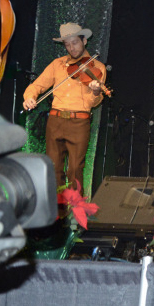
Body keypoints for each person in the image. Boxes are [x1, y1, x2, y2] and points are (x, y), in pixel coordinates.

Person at [22, 23, 107, 193]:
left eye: (75, 43)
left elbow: (93, 103)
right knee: (53, 168)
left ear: (84, 41)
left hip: (79, 122)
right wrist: (30, 97)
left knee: (75, 169)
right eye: (67, 44)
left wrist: (96, 91)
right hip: (55, 120)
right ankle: (57, 207)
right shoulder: (58, 64)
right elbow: (37, 85)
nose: (71, 48)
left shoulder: (97, 67)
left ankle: (76, 207)